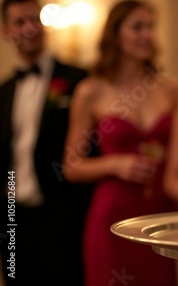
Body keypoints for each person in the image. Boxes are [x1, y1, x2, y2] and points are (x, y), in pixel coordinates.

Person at [61, 1, 178, 285]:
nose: (147, 34)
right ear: (115, 35)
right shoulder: (91, 91)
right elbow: (71, 167)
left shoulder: (172, 89)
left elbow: (175, 173)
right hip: (112, 220)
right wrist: (114, 163)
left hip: (162, 220)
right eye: (137, 27)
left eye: (150, 27)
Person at [0, 0, 91, 284]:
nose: (30, 28)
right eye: (20, 22)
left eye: (35, 19)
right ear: (5, 32)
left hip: (61, 216)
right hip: (13, 215)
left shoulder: (78, 80)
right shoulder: (3, 91)